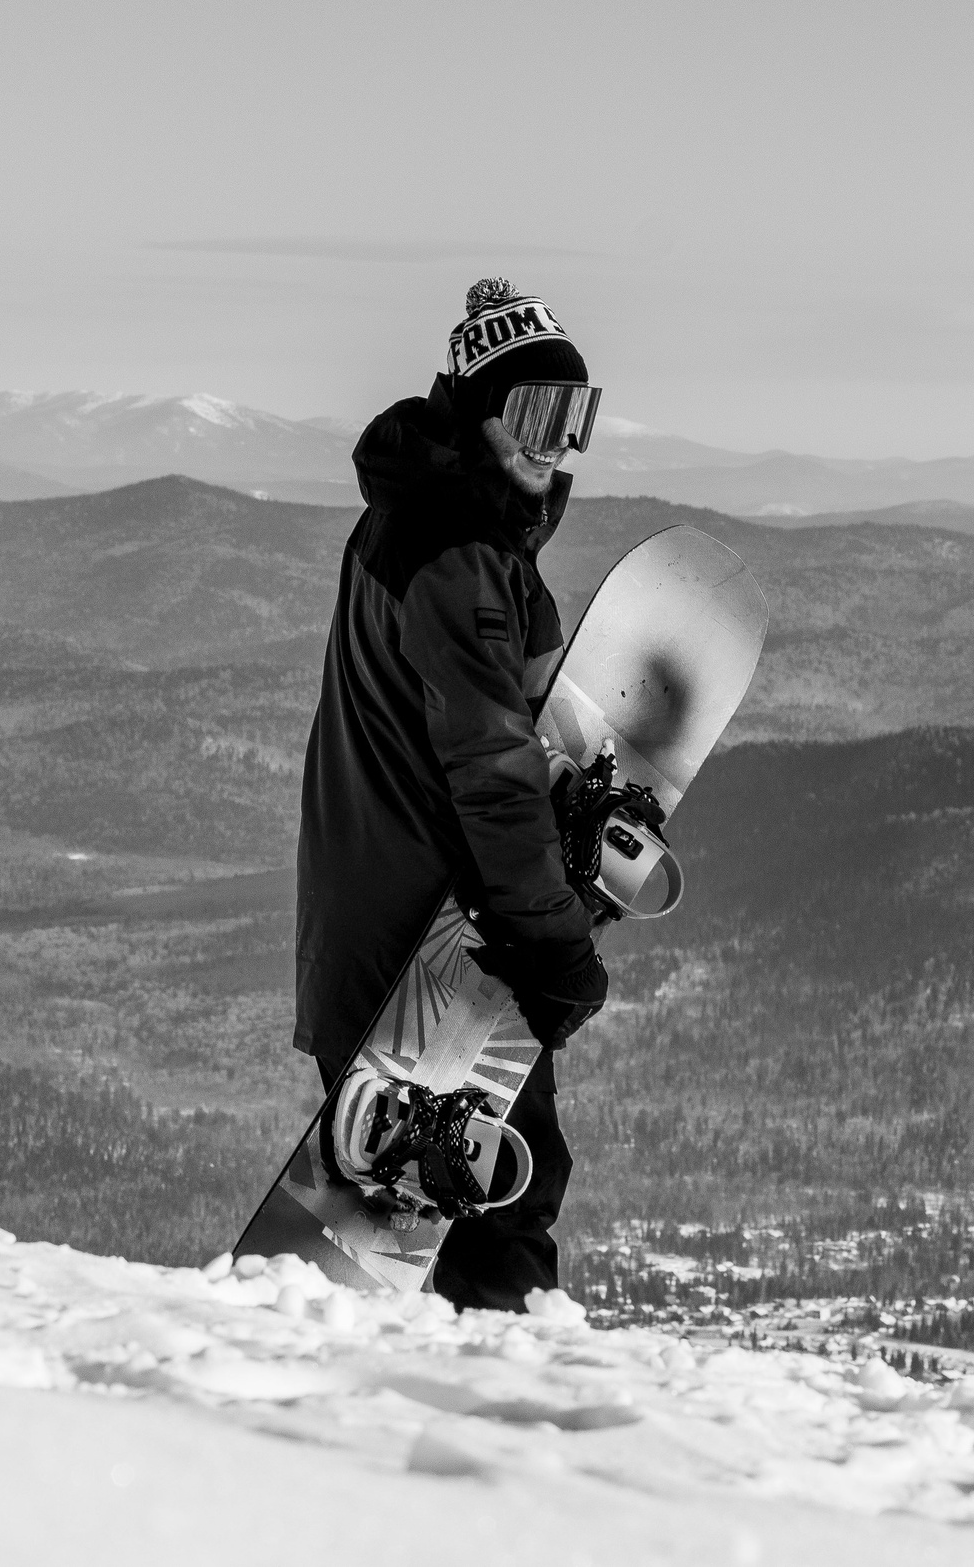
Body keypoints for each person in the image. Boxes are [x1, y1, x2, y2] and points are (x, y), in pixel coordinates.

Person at [293, 278, 610, 1313]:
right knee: (505, 1198)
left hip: (376, 921)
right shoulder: (460, 559)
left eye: (575, 420)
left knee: (438, 1203)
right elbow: (491, 767)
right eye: (535, 415)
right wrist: (549, 935)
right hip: (429, 945)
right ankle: (506, 1386)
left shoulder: (415, 521)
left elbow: (489, 722)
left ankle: (427, 1382)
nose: (555, 445)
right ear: (477, 415)